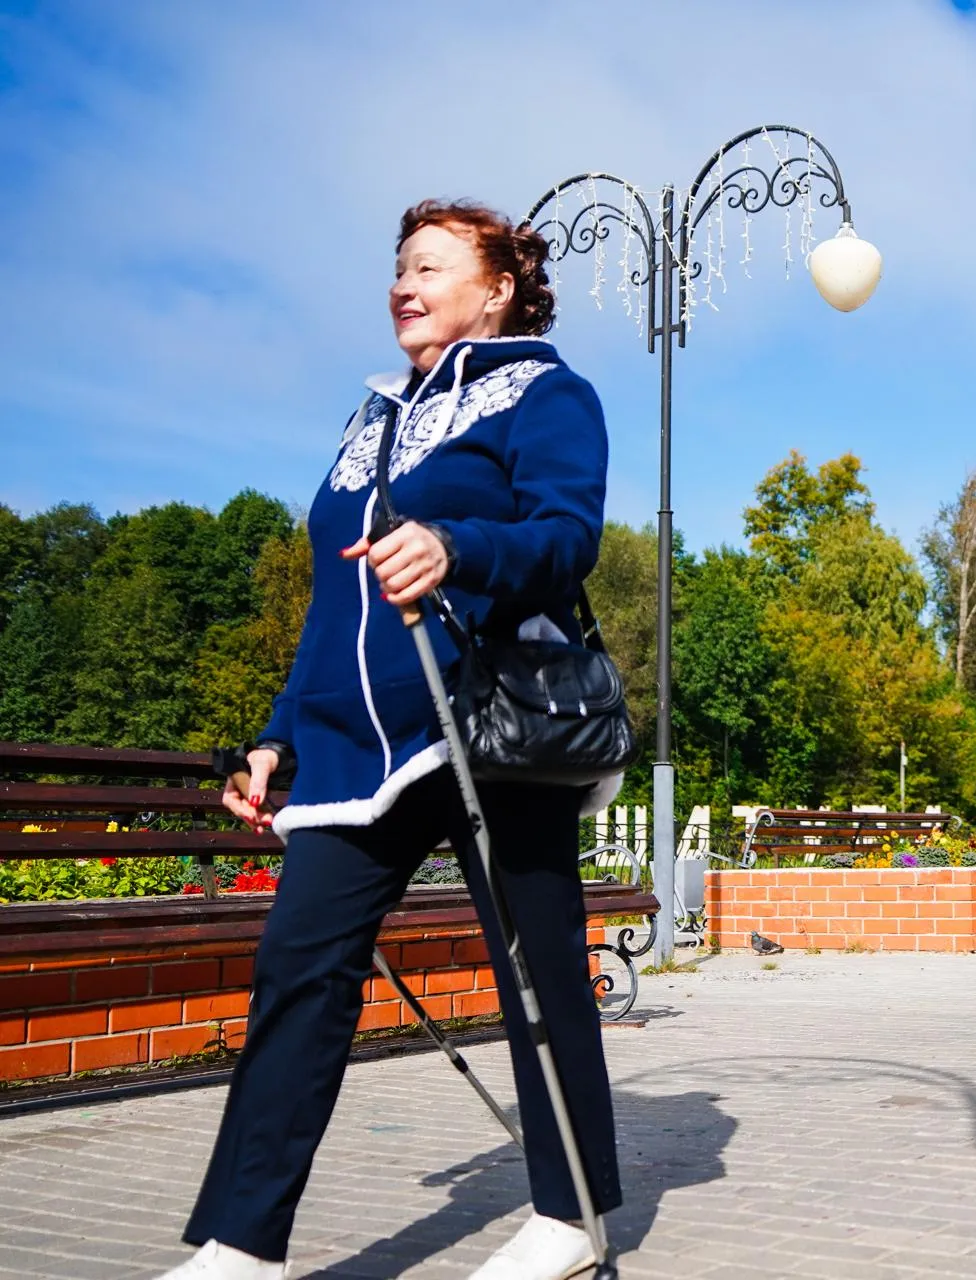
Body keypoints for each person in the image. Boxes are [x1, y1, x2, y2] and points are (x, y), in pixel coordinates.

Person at [157, 201, 623, 1280]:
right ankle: (242, 1241)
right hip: (356, 742)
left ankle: (569, 1215)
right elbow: (333, 597)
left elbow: (566, 536)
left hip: (489, 723)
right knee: (297, 970)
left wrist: (454, 544)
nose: (402, 283)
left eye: (430, 265)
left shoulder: (547, 392)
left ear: (497, 287)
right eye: (398, 267)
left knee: (535, 966)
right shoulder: (371, 419)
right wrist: (276, 736)